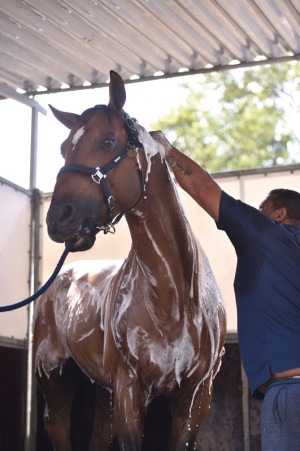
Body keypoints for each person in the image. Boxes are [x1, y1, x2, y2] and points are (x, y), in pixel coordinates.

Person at [151, 131, 300, 451]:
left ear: (280, 214)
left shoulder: (267, 233)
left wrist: (166, 149)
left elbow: (204, 188)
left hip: (292, 392)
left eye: (264, 209)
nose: (259, 216)